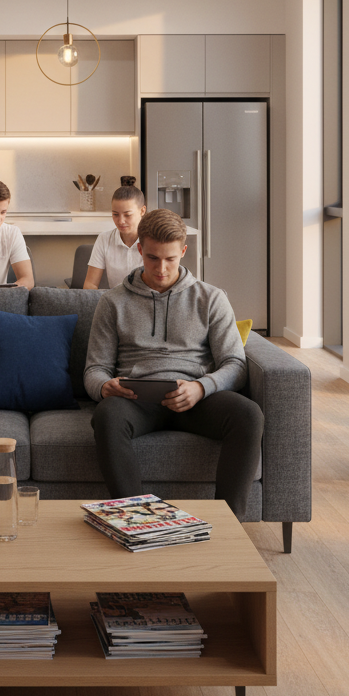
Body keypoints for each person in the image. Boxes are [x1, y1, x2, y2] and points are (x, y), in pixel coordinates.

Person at [83, 207, 263, 520]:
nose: (161, 269)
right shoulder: (112, 302)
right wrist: (104, 386)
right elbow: (93, 370)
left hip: (196, 398)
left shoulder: (211, 298)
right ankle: (138, 521)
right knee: (107, 415)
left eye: (170, 258)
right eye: (153, 258)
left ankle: (228, 524)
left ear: (183, 251)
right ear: (140, 250)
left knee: (248, 414)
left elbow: (235, 364)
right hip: (137, 401)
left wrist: (200, 388)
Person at [84, 184, 147, 289]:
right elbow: (91, 284)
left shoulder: (153, 240)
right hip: (115, 302)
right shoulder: (104, 239)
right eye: (115, 214)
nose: (121, 221)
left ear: (142, 211)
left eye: (127, 215)